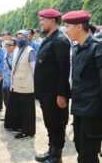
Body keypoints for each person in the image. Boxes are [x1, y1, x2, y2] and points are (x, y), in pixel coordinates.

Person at [63, 10, 102, 163]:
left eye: (67, 26)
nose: (66, 30)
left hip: (93, 112)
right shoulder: (77, 49)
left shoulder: (97, 48)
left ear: (79, 27)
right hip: (79, 109)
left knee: (88, 154)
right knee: (80, 148)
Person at [34, 9, 70, 163]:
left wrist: (62, 94)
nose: (40, 22)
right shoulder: (49, 39)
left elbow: (64, 70)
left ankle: (57, 156)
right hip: (45, 94)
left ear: (53, 20)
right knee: (49, 123)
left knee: (57, 124)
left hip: (55, 94)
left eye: (43, 19)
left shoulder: (60, 40)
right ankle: (51, 151)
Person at [4, 31, 36, 138]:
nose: (20, 39)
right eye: (18, 37)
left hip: (26, 86)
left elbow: (34, 70)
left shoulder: (30, 51)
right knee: (18, 108)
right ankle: (19, 126)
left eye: (22, 37)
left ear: (26, 38)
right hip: (16, 85)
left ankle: (28, 131)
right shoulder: (17, 50)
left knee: (27, 110)